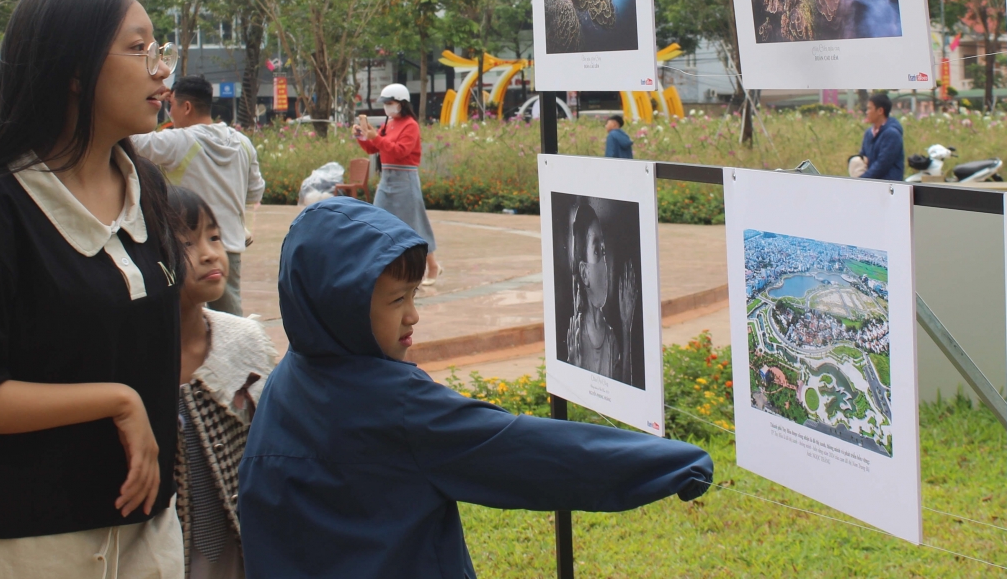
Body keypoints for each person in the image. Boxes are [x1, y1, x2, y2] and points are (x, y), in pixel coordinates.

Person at [239, 197, 713, 578]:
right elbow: (536, 454)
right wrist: (673, 461)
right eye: (397, 300)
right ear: (340, 307)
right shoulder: (399, 405)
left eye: (415, 295)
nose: (413, 316)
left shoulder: (289, 380)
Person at [0, 0, 185, 578]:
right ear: (73, 69)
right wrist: (117, 402)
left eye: (159, 50)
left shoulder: (151, 192)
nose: (160, 71)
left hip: (145, 541)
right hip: (22, 548)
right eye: (139, 49)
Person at [169, 185, 278, 579]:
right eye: (186, 242)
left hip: (241, 557)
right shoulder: (128, 358)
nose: (210, 252)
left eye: (214, 236)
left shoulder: (243, 342)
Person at [131, 75, 265, 316]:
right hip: (230, 246)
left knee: (186, 315)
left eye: (171, 106)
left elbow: (129, 142)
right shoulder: (243, 143)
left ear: (187, 107)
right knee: (230, 317)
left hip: (186, 246)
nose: (170, 113)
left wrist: (148, 98)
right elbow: (255, 190)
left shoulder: (178, 141)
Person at [351, 83, 441, 284]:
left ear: (401, 103)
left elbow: (400, 150)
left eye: (390, 103)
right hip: (387, 179)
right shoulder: (388, 123)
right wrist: (362, 136)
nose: (387, 107)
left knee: (414, 225)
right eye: (385, 103)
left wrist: (376, 137)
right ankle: (381, 265)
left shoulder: (411, 125)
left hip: (405, 179)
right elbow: (373, 149)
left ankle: (432, 265)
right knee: (376, 221)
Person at [561, 198, 643, 387]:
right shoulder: (577, 336)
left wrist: (625, 326)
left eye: (604, 252)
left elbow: (624, 391)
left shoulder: (610, 336)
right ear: (584, 272)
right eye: (597, 251)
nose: (604, 266)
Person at [857, 92, 904, 181]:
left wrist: (862, 180)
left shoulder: (892, 134)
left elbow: (882, 164)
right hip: (872, 185)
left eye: (869, 109)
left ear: (880, 111)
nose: (867, 112)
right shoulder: (869, 133)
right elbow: (863, 156)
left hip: (888, 187)